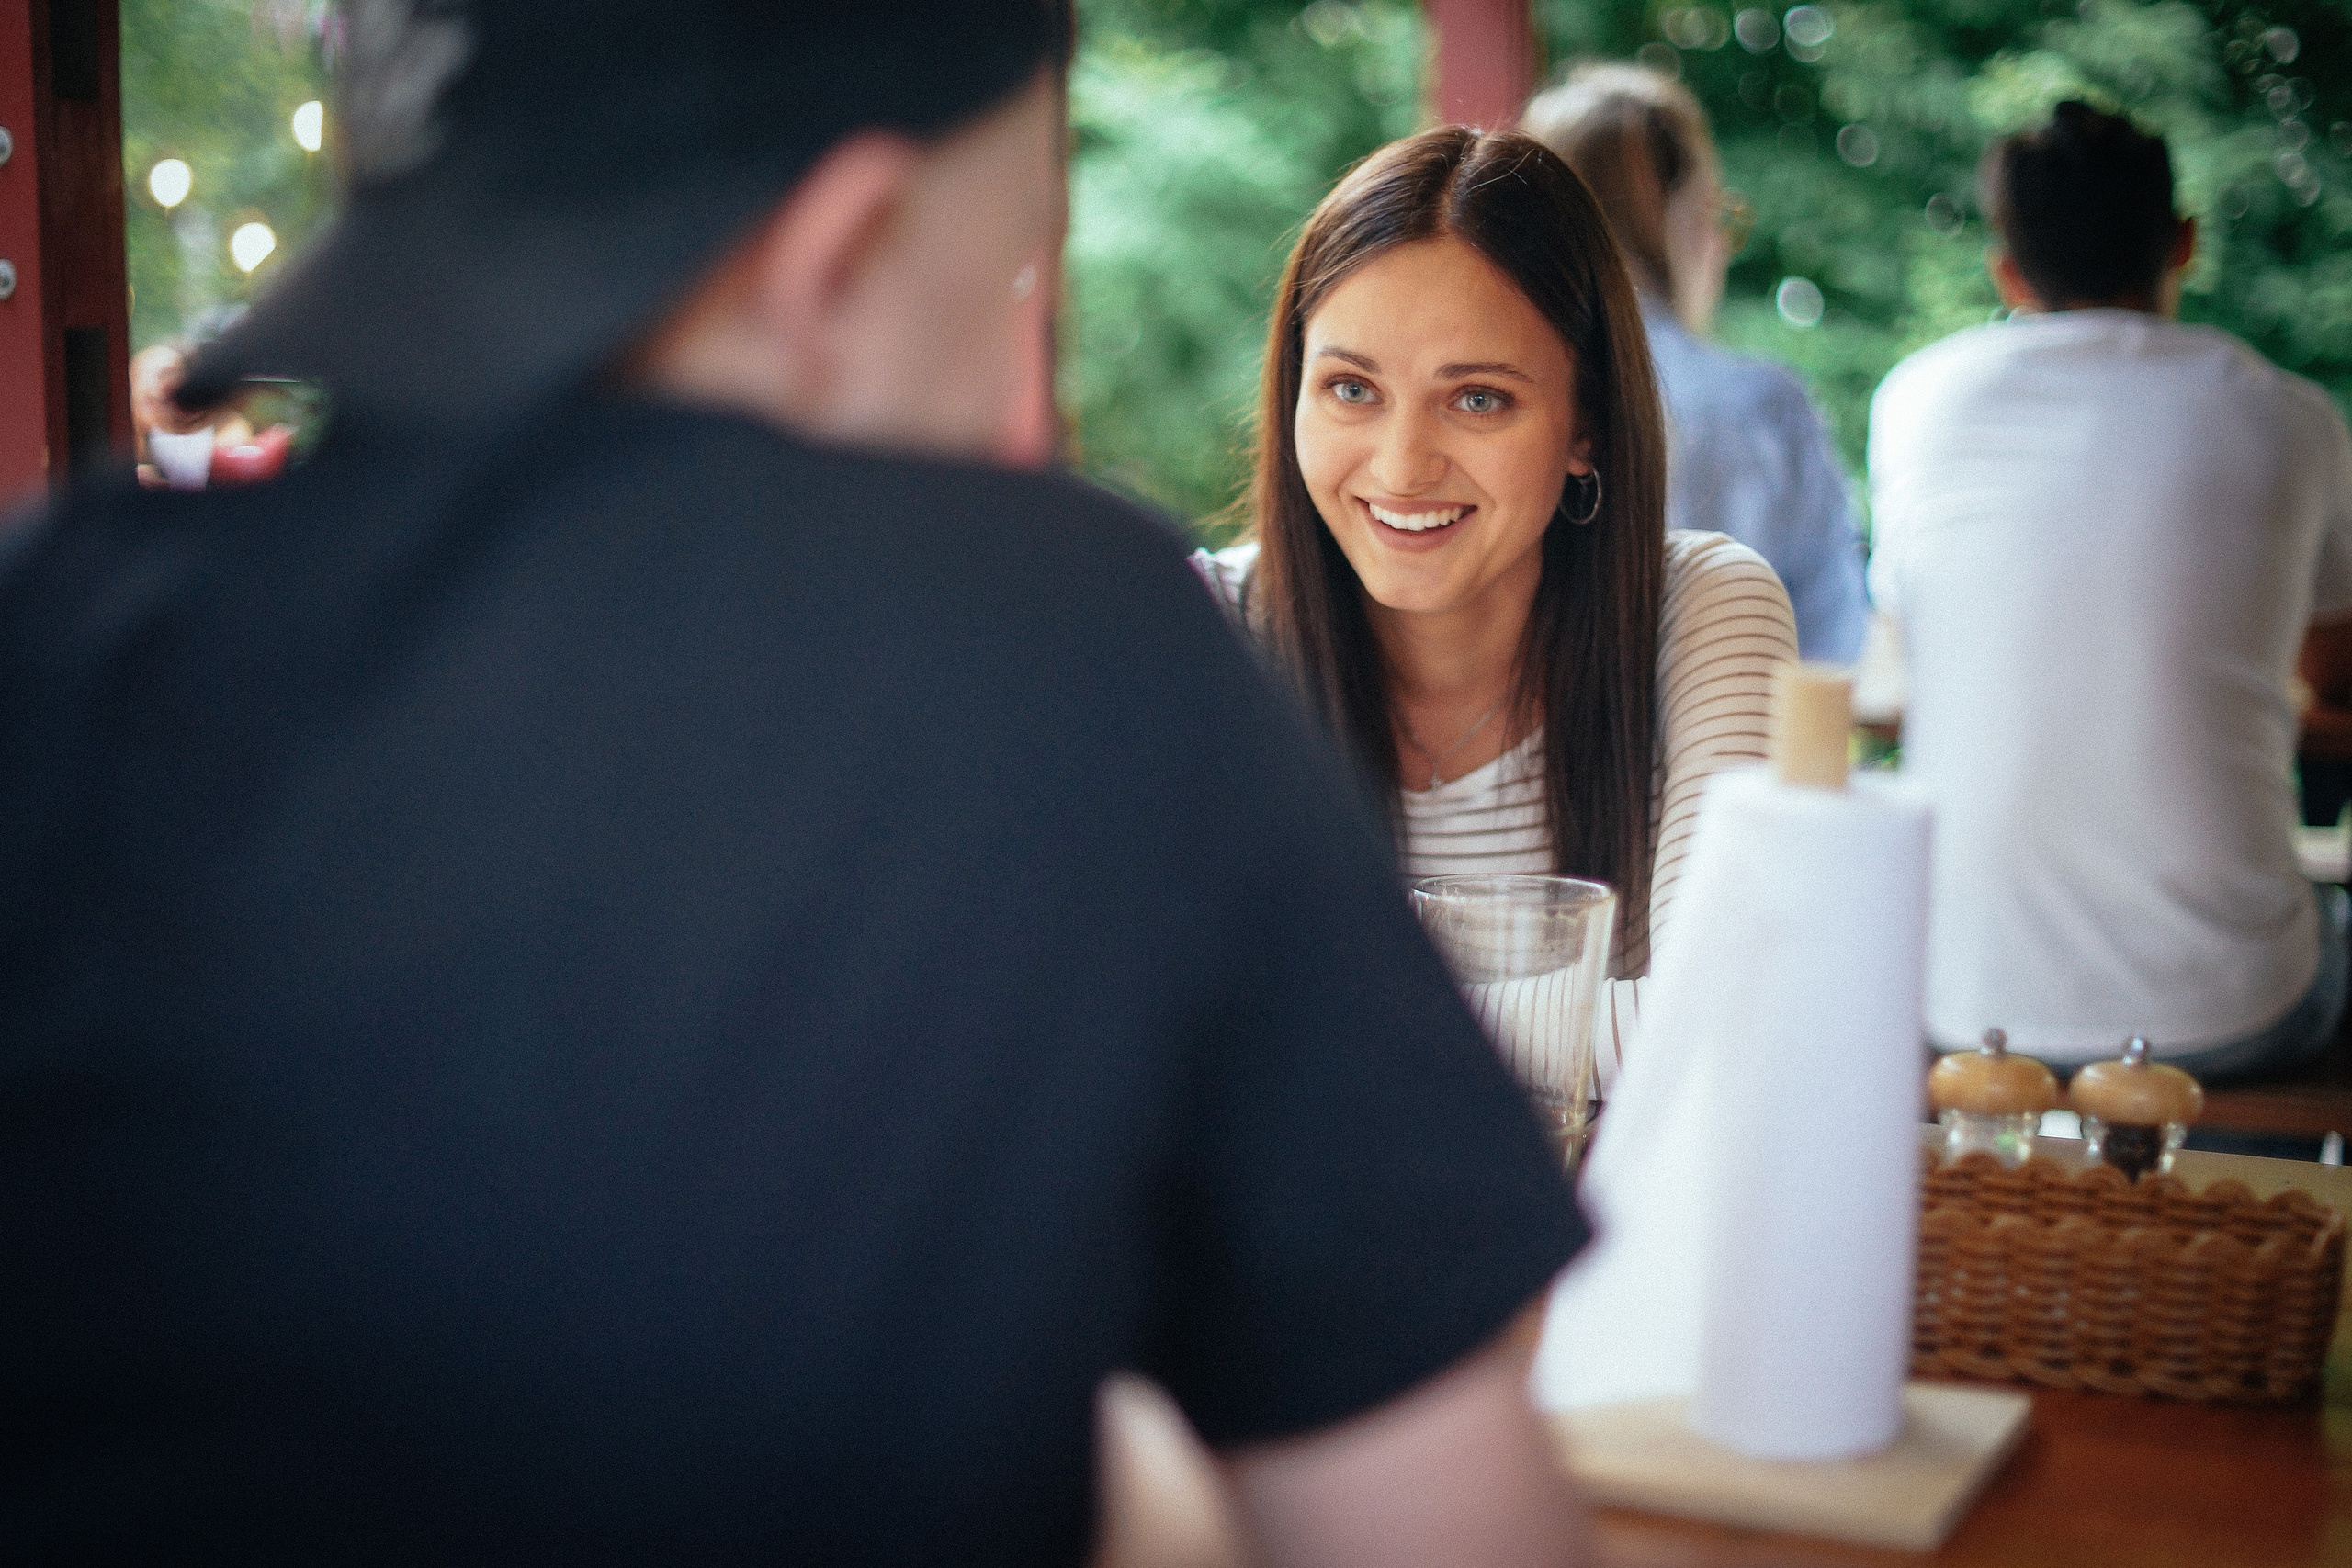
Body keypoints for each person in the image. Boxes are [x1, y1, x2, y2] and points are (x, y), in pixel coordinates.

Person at [0, 4, 1594, 1562]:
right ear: (840, 250)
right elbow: (1446, 1527)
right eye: (1008, 280)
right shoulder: (1067, 650)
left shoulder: (50, 625)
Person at [1194, 128, 1796, 1092]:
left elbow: (1725, 1023)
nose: (1400, 465)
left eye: (1477, 400)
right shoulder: (1204, 634)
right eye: (1350, 389)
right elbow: (1132, 1031)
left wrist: (1318, 1023)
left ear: (1585, 427)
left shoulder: (1702, 609)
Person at [1868, 101, 2352, 1079]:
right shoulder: (2292, 420)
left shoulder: (1919, 400)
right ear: (2185, 242)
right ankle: (2248, 1225)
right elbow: (2330, 682)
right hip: (2231, 1008)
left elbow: (1906, 657)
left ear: (2007, 271)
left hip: (1964, 1004)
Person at [1523, 64, 1869, 664]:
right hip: (1742, 750)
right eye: (1719, 214)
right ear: (1685, 215)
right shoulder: (1763, 406)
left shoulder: (1489, 394)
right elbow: (1832, 642)